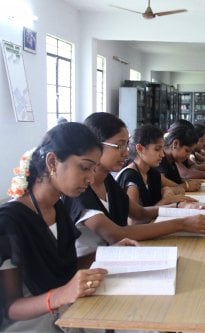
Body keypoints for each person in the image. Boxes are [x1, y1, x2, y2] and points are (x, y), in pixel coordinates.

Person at [0, 122, 132, 331]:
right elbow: (11, 308)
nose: (90, 178)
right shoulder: (10, 222)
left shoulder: (58, 209)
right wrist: (62, 294)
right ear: (52, 162)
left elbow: (65, 267)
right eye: (84, 167)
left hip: (64, 311)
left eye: (93, 169)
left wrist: (108, 253)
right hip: (31, 323)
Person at [63, 113, 205, 266]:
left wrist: (181, 207)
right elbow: (116, 234)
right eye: (119, 145)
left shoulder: (107, 180)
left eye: (126, 144)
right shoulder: (79, 191)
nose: (126, 152)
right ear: (95, 147)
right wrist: (182, 224)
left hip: (116, 261)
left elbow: (140, 212)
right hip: (90, 271)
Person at [116, 124, 195, 211]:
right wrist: (165, 201)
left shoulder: (151, 173)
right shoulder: (131, 179)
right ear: (140, 149)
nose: (162, 154)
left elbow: (179, 189)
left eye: (162, 149)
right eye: (157, 149)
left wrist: (166, 190)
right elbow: (134, 221)